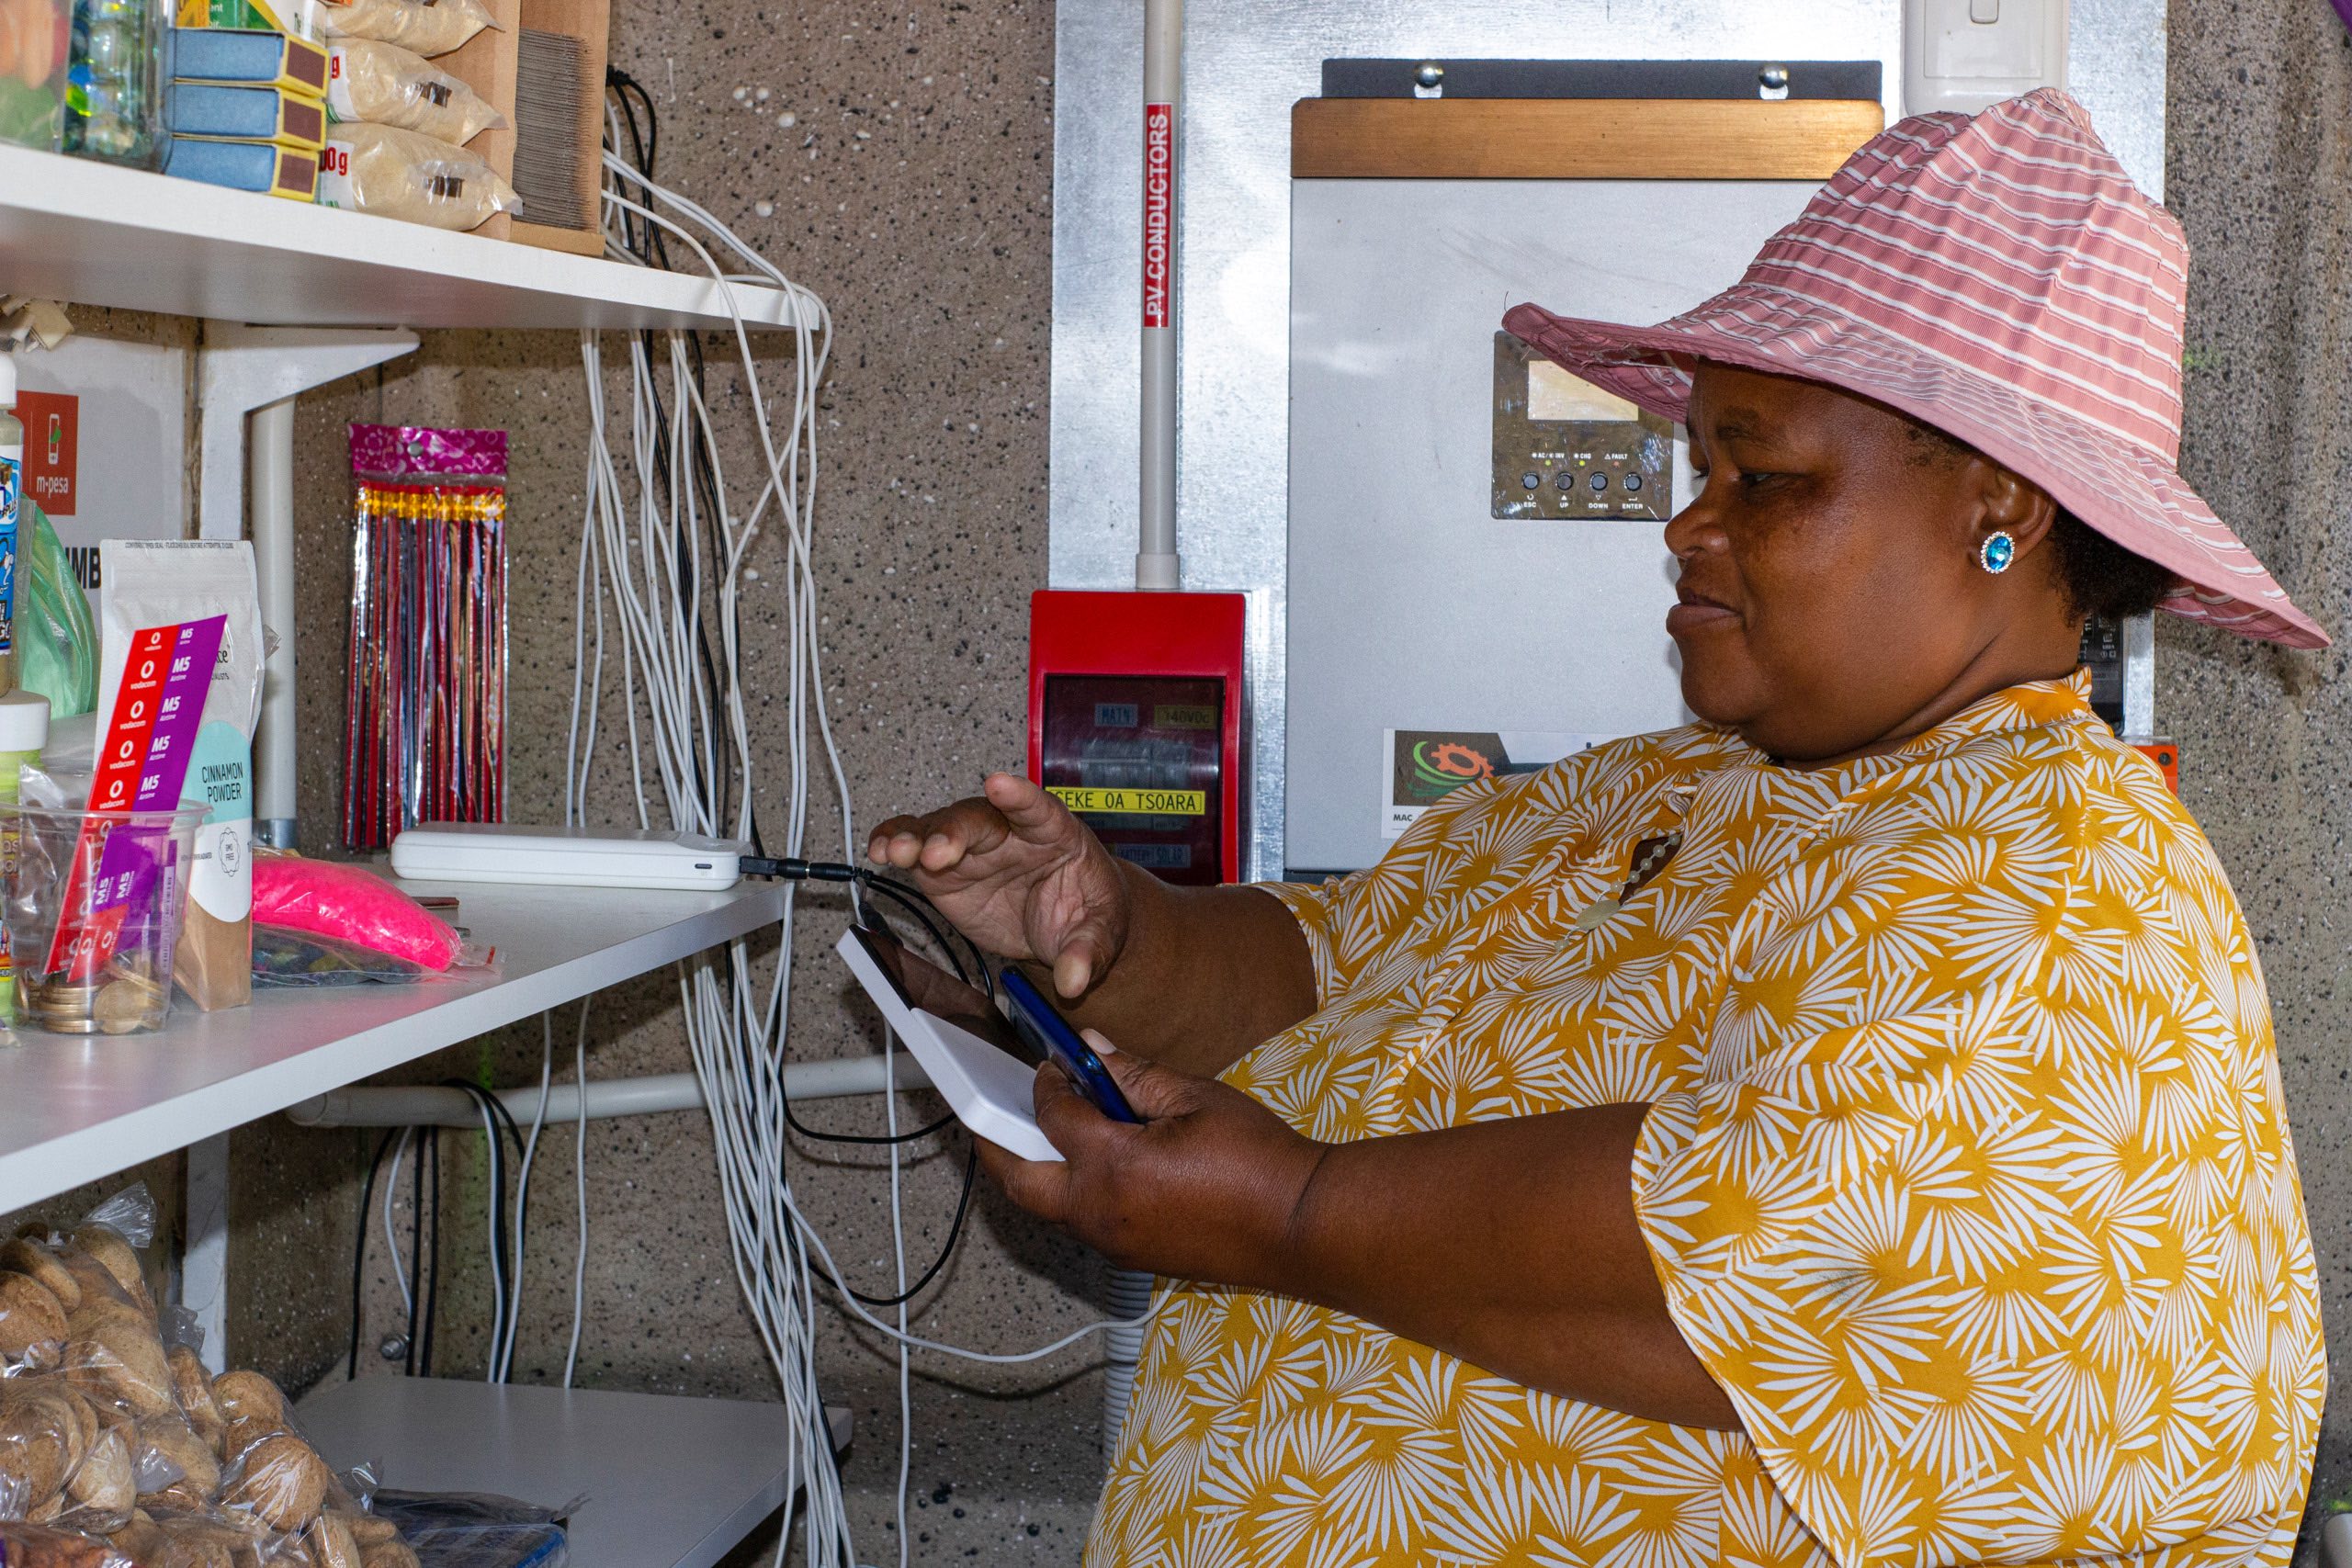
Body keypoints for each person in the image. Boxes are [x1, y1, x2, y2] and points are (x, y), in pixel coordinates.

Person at [869, 89, 2325, 1568]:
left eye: (1764, 480)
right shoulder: (1661, 787)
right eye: (1702, 469)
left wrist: (1290, 1214)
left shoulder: (2062, 880)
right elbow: (1339, 965)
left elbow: (1757, 1262)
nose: (1688, 526)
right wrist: (1105, 934)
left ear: (1998, 506)